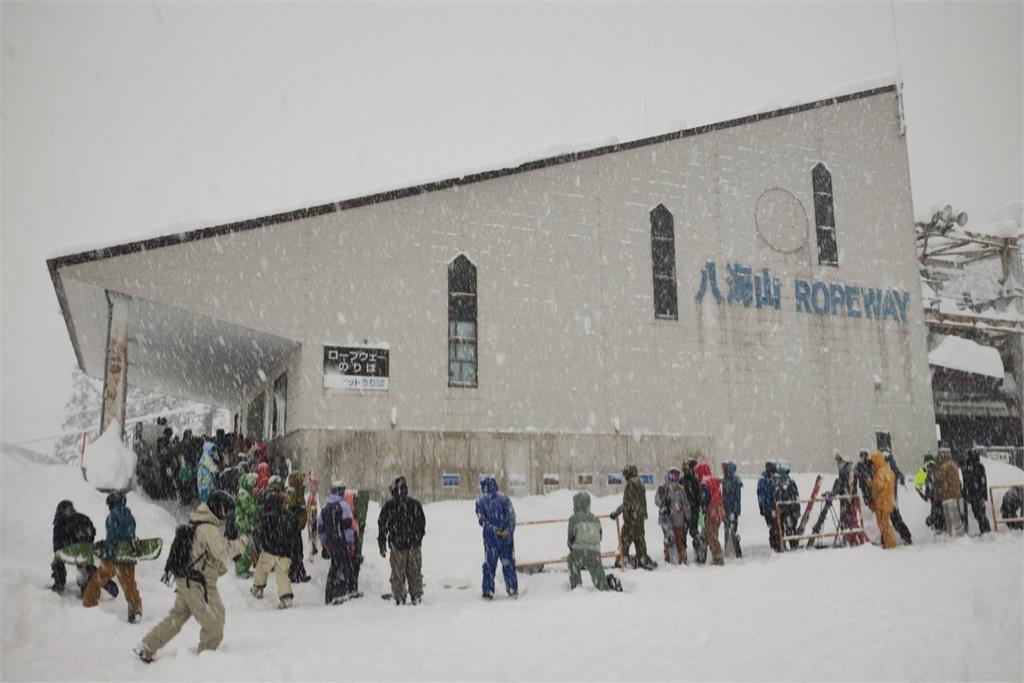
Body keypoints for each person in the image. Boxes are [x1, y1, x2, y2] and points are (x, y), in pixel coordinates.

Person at [135, 490, 249, 662]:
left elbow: (205, 554)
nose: (227, 515)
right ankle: (207, 658)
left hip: (187, 580)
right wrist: (242, 542)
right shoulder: (207, 528)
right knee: (214, 621)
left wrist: (218, 569)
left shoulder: (198, 522)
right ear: (218, 508)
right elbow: (221, 551)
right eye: (226, 510)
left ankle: (147, 646)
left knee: (177, 618)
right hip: (198, 584)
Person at [82, 492, 143, 623]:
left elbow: (112, 539)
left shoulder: (112, 517)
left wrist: (106, 553)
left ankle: (89, 605)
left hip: (115, 558)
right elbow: (128, 536)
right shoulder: (129, 516)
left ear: (111, 503)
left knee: (97, 581)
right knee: (130, 585)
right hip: (128, 556)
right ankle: (136, 610)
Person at [50, 500, 117, 598]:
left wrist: (66, 549)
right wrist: (84, 543)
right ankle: (87, 586)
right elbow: (92, 532)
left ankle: (59, 584)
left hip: (69, 551)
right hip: (85, 549)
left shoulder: (59, 523)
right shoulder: (83, 518)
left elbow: (56, 547)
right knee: (85, 565)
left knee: (57, 560)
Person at [377, 476, 426, 605]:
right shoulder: (415, 505)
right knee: (415, 574)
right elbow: (422, 524)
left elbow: (382, 526)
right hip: (414, 547)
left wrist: (381, 543)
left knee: (398, 576)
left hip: (397, 547)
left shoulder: (389, 507)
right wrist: (417, 539)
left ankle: (399, 598)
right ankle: (416, 596)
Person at [475, 476, 518, 599]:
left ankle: (488, 590)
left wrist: (494, 530)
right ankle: (512, 588)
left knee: (489, 565)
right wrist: (507, 531)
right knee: (508, 564)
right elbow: (512, 517)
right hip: (506, 540)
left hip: (491, 540)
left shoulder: (481, 501)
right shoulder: (505, 498)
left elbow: (482, 520)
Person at [250, 491, 294, 609]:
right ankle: (286, 598)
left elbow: (261, 534)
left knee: (261, 568)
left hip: (270, 550)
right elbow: (293, 533)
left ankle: (258, 588)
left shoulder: (266, 517)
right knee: (282, 574)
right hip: (286, 551)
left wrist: (261, 544)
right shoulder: (288, 515)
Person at [567, 491, 619, 591]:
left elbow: (570, 538)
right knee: (596, 567)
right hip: (595, 553)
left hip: (579, 552)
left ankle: (576, 585)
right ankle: (602, 585)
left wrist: (572, 548)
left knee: (571, 559)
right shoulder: (596, 519)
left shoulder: (573, 519)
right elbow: (600, 536)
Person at [320, 480, 358, 605]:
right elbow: (348, 526)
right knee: (346, 566)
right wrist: (350, 542)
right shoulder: (343, 506)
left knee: (334, 566)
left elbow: (321, 528)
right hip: (341, 542)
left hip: (331, 543)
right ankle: (342, 591)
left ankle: (329, 594)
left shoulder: (325, 507)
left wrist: (324, 543)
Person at [654, 467, 690, 565]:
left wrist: (688, 517)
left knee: (679, 540)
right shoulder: (662, 488)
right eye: (672, 475)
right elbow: (656, 500)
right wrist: (663, 503)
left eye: (676, 475)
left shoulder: (680, 489)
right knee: (668, 540)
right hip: (665, 520)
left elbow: (686, 504)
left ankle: (682, 560)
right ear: (667, 475)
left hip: (678, 520)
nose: (674, 478)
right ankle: (668, 560)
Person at [830, 455, 866, 546]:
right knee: (847, 521)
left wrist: (835, 491)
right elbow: (840, 484)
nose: (838, 464)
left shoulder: (848, 472)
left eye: (839, 461)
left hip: (849, 501)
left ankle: (856, 541)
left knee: (851, 521)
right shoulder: (844, 472)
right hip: (845, 501)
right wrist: (833, 491)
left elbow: (845, 486)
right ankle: (851, 540)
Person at [695, 462, 724, 565]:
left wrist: (701, 519)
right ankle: (717, 557)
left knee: (711, 536)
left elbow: (704, 502)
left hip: (711, 511)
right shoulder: (713, 480)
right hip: (719, 510)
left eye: (697, 473)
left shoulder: (704, 483)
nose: (696, 476)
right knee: (715, 533)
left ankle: (718, 558)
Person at [284, 472, 311, 583]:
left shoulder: (297, 491)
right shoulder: (292, 492)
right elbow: (290, 509)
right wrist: (298, 513)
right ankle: (294, 574)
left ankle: (299, 572)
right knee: (295, 551)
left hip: (296, 526)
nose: (302, 480)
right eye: (300, 478)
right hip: (293, 528)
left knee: (297, 550)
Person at [867, 451, 897, 549]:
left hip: (881, 502)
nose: (872, 465)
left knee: (884, 525)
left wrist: (870, 483)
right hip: (888, 501)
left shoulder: (880, 472)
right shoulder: (888, 470)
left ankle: (889, 544)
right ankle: (889, 542)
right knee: (887, 524)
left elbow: (878, 486)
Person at [884, 451, 913, 545]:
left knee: (894, 519)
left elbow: (899, 476)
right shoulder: (892, 467)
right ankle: (906, 536)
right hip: (892, 498)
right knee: (895, 518)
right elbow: (900, 476)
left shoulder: (890, 468)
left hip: (891, 499)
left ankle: (906, 536)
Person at [233, 473, 260, 577]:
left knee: (248, 547)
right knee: (246, 548)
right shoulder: (243, 494)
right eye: (252, 483)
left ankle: (244, 569)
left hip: (246, 524)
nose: (253, 485)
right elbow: (249, 509)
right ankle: (240, 570)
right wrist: (259, 508)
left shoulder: (246, 493)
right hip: (243, 524)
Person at [935, 451, 965, 537]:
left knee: (950, 519)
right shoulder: (953, 464)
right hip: (955, 494)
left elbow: (939, 477)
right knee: (956, 517)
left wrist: (935, 472)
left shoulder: (945, 466)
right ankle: (959, 534)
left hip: (948, 495)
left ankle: (952, 536)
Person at [961, 449, 991, 534]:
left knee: (981, 513)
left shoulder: (979, 467)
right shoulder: (969, 467)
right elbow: (967, 480)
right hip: (972, 494)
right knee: (977, 513)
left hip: (978, 494)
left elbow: (982, 481)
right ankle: (984, 530)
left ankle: (986, 530)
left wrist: (982, 492)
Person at [680, 460, 705, 563]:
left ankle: (698, 552)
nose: (684, 470)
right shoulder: (683, 481)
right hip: (686, 510)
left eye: (686, 468)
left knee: (691, 531)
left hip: (691, 510)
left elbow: (698, 496)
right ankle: (684, 555)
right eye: (683, 468)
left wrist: (696, 507)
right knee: (686, 532)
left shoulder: (692, 480)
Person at [772, 461, 800, 550]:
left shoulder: (776, 482)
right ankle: (789, 545)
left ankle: (782, 546)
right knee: (787, 528)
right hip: (787, 509)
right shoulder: (786, 482)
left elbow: (795, 496)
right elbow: (795, 496)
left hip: (784, 509)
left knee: (783, 529)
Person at [720, 461, 743, 558]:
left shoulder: (732, 481)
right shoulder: (728, 480)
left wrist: (734, 510)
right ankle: (732, 549)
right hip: (729, 508)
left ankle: (733, 549)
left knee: (730, 529)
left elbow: (736, 497)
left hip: (730, 508)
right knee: (729, 529)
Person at [757, 461, 780, 552]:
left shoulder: (774, 478)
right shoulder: (764, 480)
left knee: (776, 526)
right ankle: (775, 545)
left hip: (774, 507)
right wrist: (764, 508)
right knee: (773, 527)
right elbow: (762, 496)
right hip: (769, 508)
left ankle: (777, 544)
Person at [196, 439, 219, 504]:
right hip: (206, 485)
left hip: (203, 483)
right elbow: (214, 470)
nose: (213, 451)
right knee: (205, 502)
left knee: (204, 501)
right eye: (212, 450)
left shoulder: (203, 456)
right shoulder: (207, 458)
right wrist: (216, 459)